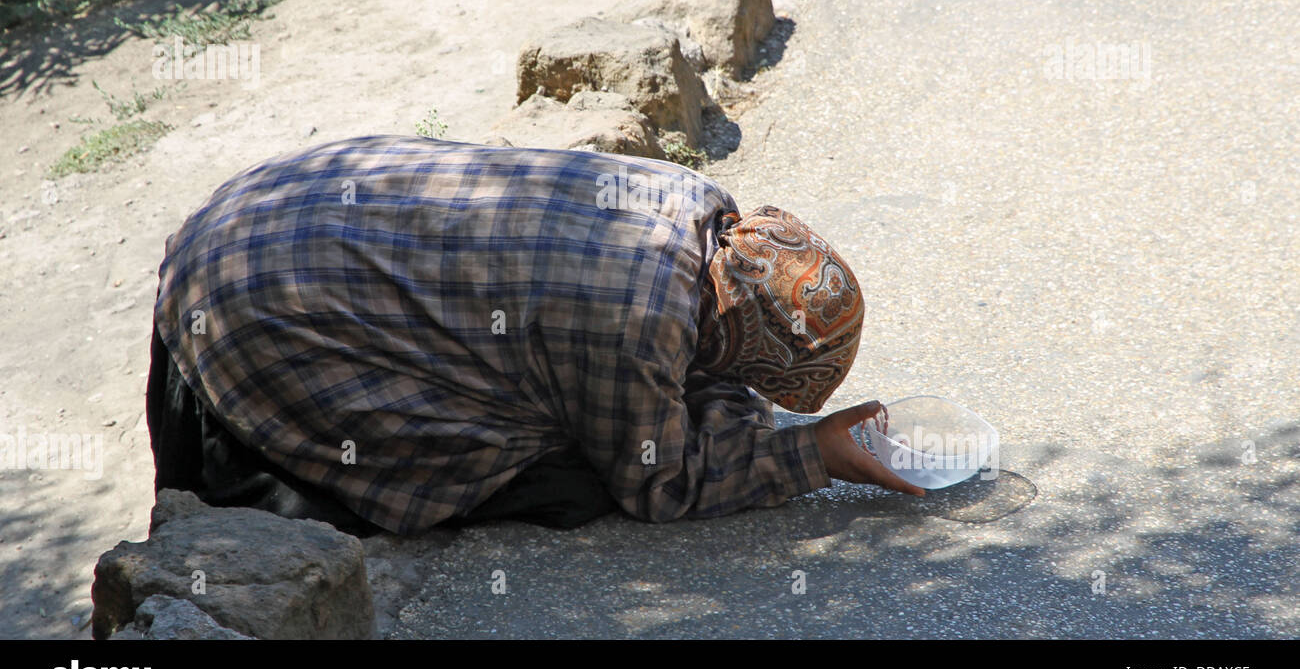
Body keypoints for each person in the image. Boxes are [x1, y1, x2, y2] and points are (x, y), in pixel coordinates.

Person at [146, 134, 923, 538]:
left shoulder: (695, 200)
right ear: (736, 350)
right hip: (250, 304)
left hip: (258, 203)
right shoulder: (642, 328)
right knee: (565, 481)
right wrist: (813, 452)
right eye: (755, 381)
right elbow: (664, 481)